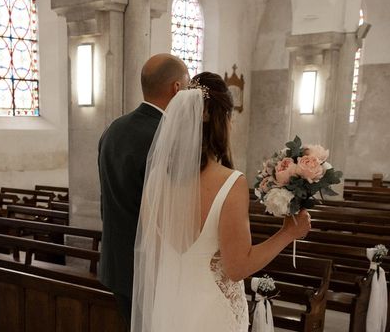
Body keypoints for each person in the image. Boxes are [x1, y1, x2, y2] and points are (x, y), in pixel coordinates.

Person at [131, 72, 311, 332]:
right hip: (211, 312)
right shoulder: (231, 182)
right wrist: (288, 233)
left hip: (170, 307)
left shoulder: (156, 180)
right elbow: (238, 267)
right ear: (222, 120)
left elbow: (156, 256)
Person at [98, 53, 190, 326]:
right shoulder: (165, 136)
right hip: (153, 267)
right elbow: (174, 209)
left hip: (116, 263)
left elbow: (107, 197)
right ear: (176, 87)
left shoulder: (113, 129)